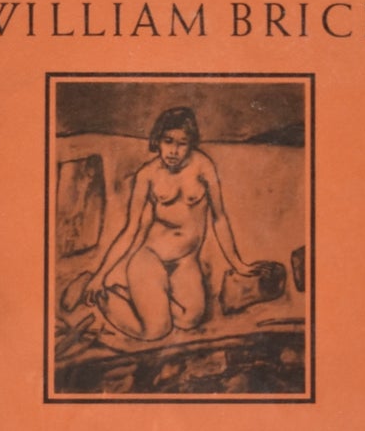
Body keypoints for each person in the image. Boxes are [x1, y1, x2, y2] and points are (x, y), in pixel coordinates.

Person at [82, 106, 258, 342]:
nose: (174, 151)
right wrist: (100, 274)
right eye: (168, 141)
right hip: (150, 258)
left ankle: (138, 296)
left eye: (182, 143)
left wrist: (238, 264)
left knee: (189, 319)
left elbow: (220, 218)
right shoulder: (147, 175)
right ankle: (101, 294)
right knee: (156, 331)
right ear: (158, 140)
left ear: (191, 144)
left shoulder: (203, 166)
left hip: (186, 261)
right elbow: (131, 230)